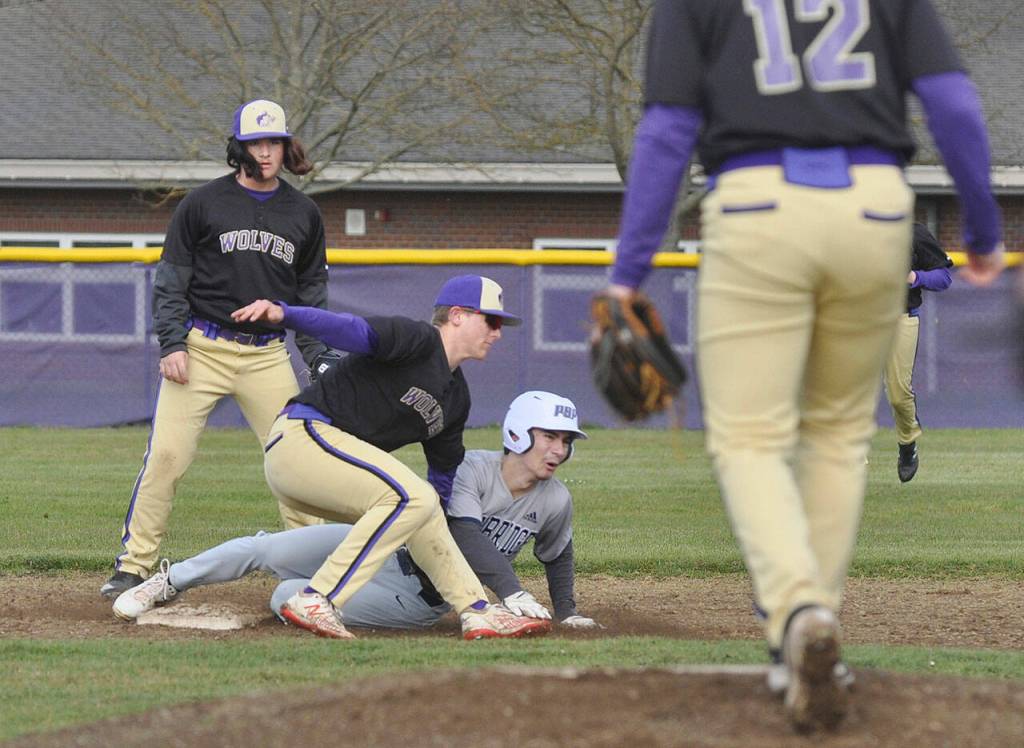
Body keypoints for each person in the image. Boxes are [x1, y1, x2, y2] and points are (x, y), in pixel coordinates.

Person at [602, 0, 1003, 733]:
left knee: (749, 436)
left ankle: (797, 612)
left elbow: (666, 130)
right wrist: (983, 229)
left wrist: (627, 270)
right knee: (840, 435)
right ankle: (812, 622)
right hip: (876, 211)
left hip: (757, 207)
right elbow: (952, 102)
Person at [223, 274, 551, 641]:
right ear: (457, 315)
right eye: (491, 321)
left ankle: (477, 610)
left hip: (337, 466)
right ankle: (319, 597)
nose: (498, 332)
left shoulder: (456, 398)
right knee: (413, 496)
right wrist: (284, 315)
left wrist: (431, 536)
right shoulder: (417, 340)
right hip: (303, 439)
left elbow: (442, 478)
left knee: (426, 506)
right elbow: (349, 330)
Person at [112, 391, 601, 633]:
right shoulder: (471, 468)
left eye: (565, 441)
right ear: (518, 433)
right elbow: (464, 534)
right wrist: (512, 591)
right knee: (264, 548)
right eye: (550, 437)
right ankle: (166, 582)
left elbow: (558, 554)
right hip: (387, 551)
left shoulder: (555, 500)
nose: (558, 449)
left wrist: (569, 612)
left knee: (287, 594)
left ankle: (303, 604)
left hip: (420, 602)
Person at [101, 99, 333, 599]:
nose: (266, 152)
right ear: (238, 147)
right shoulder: (203, 204)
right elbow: (171, 281)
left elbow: (310, 298)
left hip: (268, 356)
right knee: (166, 456)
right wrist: (171, 342)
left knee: (299, 464)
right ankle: (134, 564)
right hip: (201, 348)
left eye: (274, 142)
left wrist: (319, 357)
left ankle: (312, 569)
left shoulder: (304, 213)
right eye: (256, 142)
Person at [884, 223, 954, 483]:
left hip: (900, 317)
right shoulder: (850, 230)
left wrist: (915, 277)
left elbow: (944, 277)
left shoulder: (912, 232)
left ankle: (907, 442)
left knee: (897, 395)